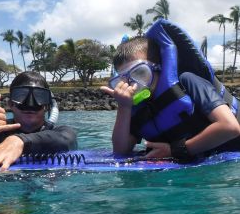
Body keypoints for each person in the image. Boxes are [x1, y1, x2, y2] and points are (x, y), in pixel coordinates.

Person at [101, 33, 240, 162]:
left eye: (139, 73)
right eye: (125, 80)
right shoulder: (136, 108)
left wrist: (174, 151)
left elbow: (230, 127)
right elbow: (120, 152)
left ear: (158, 67)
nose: (133, 84)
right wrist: (124, 107)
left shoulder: (187, 82)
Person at [0, 71, 77, 171]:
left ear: (47, 106)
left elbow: (68, 141)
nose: (30, 103)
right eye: (21, 96)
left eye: (39, 97)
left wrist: (19, 141)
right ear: (10, 104)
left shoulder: (61, 133)